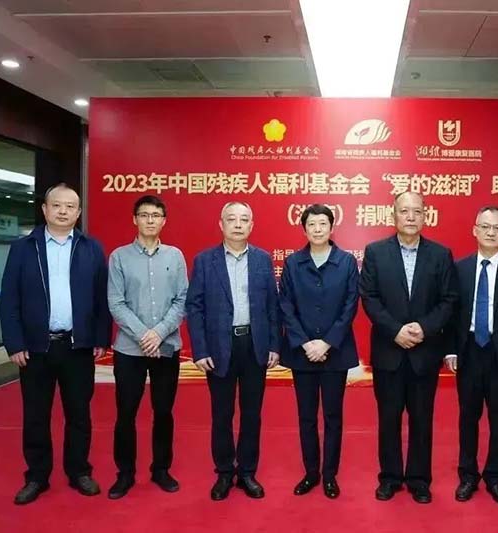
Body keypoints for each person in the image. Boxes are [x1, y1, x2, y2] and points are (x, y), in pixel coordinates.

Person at [0, 183, 110, 505]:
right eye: (57, 205)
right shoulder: (23, 248)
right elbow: (9, 300)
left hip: (77, 347)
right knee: (36, 415)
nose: (63, 211)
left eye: (70, 206)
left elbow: (102, 299)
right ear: (45, 209)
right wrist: (14, 342)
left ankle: (79, 471)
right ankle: (37, 476)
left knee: (79, 414)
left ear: (78, 212)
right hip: (36, 348)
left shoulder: (91, 248)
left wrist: (100, 338)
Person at [359, 191, 457, 504]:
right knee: (388, 419)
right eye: (404, 211)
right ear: (394, 215)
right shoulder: (376, 252)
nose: (411, 217)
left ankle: (419, 479)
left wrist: (424, 328)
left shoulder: (440, 254)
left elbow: (449, 300)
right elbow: (369, 297)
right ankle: (389, 478)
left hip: (424, 353)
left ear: (425, 215)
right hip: (389, 352)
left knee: (422, 419)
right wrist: (396, 331)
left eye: (417, 211)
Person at [186, 201, 280, 501]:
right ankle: (225, 472)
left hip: (254, 345)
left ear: (252, 225)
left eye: (244, 220)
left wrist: (274, 344)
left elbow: (273, 306)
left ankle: (248, 472)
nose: (238, 225)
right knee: (222, 414)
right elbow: (194, 307)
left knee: (252, 414)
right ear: (221, 224)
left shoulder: (263, 259)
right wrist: (200, 350)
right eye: (232, 219)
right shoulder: (205, 261)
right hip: (219, 347)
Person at [444, 206, 498, 505]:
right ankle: (468, 476)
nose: (491, 232)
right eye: (485, 226)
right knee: (467, 417)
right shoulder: (459, 268)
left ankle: (496, 477)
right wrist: (451, 349)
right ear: (475, 230)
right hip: (469, 351)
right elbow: (451, 313)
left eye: (497, 228)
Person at [106, 195, 188, 499]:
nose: (150, 220)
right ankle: (125, 473)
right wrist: (145, 335)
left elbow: (182, 300)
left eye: (156, 215)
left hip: (167, 348)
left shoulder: (175, 256)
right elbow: (116, 302)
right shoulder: (119, 257)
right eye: (144, 215)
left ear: (164, 221)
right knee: (126, 413)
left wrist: (159, 333)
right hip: (130, 350)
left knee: (163, 411)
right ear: (135, 219)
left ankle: (161, 469)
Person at [279, 204, 359, 500]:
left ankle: (329, 475)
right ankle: (311, 473)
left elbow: (350, 305)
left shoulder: (346, 262)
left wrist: (326, 342)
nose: (317, 229)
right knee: (307, 416)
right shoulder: (293, 263)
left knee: (333, 416)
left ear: (331, 227)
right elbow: (285, 305)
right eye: (311, 224)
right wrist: (305, 342)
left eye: (322, 223)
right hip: (302, 353)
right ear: (304, 229)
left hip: (335, 352)